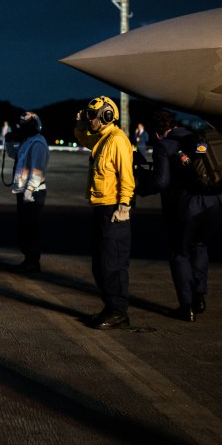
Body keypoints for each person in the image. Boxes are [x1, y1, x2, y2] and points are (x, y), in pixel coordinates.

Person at [140, 109, 222, 321]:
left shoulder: (164, 145)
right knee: (199, 244)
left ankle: (186, 306)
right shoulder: (196, 137)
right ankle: (199, 296)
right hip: (218, 202)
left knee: (179, 252)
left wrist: (140, 185)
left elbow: (161, 182)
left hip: (190, 207)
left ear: (157, 133)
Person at [73, 96, 136, 330]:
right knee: (99, 264)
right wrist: (80, 124)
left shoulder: (118, 140)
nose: (90, 120)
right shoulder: (103, 139)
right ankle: (110, 307)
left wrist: (124, 206)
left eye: (92, 116)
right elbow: (84, 138)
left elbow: (126, 177)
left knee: (113, 263)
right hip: (101, 208)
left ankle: (119, 312)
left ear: (107, 116)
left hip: (113, 210)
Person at [9, 111, 49, 273]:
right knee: (24, 227)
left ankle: (33, 262)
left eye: (23, 126)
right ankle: (28, 259)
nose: (20, 129)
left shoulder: (38, 143)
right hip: (23, 190)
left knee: (31, 228)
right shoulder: (27, 141)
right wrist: (9, 142)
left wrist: (30, 190)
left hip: (33, 193)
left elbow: (37, 169)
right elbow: (14, 155)